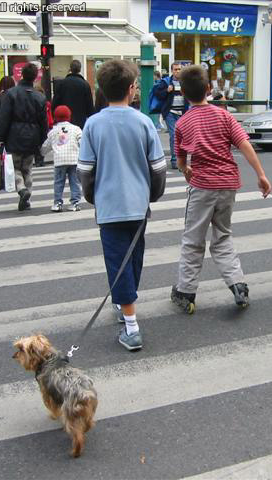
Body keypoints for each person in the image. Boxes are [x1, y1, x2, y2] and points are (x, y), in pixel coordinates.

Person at [77, 59, 166, 351]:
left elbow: (85, 171)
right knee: (134, 258)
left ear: (101, 89)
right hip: (138, 205)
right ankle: (125, 305)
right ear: (131, 89)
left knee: (118, 262)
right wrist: (151, 195)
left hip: (109, 206)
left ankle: (131, 326)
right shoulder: (144, 122)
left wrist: (93, 196)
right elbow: (158, 169)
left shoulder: (93, 124)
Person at [170, 65, 272, 313]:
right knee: (223, 236)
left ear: (183, 92)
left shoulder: (182, 123)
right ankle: (238, 286)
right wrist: (260, 174)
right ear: (208, 89)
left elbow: (181, 159)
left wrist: (186, 171)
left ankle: (185, 291)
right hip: (228, 185)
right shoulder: (224, 116)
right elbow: (244, 144)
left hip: (202, 187)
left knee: (193, 239)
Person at [0, 62, 48, 211]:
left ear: (21, 75)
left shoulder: (11, 94)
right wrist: (42, 140)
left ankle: (21, 189)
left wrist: (0, 137)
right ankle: (27, 197)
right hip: (32, 135)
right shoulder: (39, 97)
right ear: (34, 78)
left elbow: (4, 118)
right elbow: (43, 121)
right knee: (28, 168)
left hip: (14, 134)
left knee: (15, 167)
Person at [41, 105, 82, 212]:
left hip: (59, 160)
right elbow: (82, 142)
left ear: (55, 117)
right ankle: (75, 203)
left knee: (59, 182)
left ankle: (58, 203)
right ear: (69, 116)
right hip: (74, 159)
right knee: (75, 181)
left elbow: (46, 146)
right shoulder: (76, 129)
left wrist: (41, 153)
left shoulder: (53, 131)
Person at [154, 62, 189, 169]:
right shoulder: (166, 82)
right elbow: (158, 95)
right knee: (174, 135)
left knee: (182, 136)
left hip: (183, 113)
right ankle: (174, 160)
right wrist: (166, 91)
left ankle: (181, 159)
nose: (177, 71)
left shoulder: (186, 82)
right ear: (172, 71)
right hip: (170, 113)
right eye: (175, 69)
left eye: (179, 69)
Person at [51, 60, 95, 129]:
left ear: (70, 69)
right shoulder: (85, 85)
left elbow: (55, 103)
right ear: (80, 69)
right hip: (80, 122)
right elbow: (90, 107)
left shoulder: (62, 84)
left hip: (64, 121)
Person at [33, 84, 53, 167]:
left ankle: (38, 158)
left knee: (37, 143)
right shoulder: (46, 102)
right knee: (42, 142)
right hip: (45, 124)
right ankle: (41, 158)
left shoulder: (33, 102)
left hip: (36, 125)